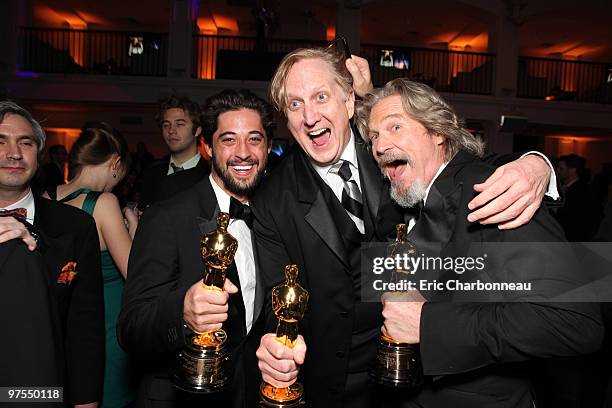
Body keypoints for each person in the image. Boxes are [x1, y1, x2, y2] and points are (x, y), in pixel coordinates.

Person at [251, 46, 560, 407]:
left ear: (349, 102)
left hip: (426, 369)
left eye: (321, 97)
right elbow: (278, 299)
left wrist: (536, 165)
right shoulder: (273, 197)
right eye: (294, 105)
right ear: (287, 121)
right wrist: (276, 344)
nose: (310, 116)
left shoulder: (389, 144)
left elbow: (461, 162)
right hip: (336, 379)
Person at [354, 78, 603, 407]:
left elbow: (574, 322)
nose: (380, 146)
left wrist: (428, 325)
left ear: (438, 132)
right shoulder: (408, 198)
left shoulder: (488, 189)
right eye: (374, 136)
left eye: (395, 127)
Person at [119, 89, 272, 407]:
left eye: (254, 139)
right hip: (182, 398)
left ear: (269, 147)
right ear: (207, 147)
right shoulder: (168, 217)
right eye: (228, 140)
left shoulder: (277, 218)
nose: (243, 153)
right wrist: (182, 313)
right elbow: (131, 328)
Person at [0, 101, 104, 407]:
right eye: (1, 141)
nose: (14, 153)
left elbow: (84, 327)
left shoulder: (76, 226)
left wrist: (86, 401)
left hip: (42, 391)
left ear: (39, 153)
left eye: (26, 142)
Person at [42, 123, 139, 407]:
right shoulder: (104, 202)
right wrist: (133, 227)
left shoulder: (45, 197)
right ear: (115, 164)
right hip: (105, 331)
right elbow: (134, 273)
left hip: (61, 329)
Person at [138, 95, 210, 209]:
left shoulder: (210, 176)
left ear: (197, 130)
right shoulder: (151, 172)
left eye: (179, 124)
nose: (171, 130)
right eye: (166, 125)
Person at [555, 153, 599, 241]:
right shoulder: (563, 187)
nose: (557, 171)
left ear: (572, 170)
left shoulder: (582, 191)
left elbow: (574, 220)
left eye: (561, 168)